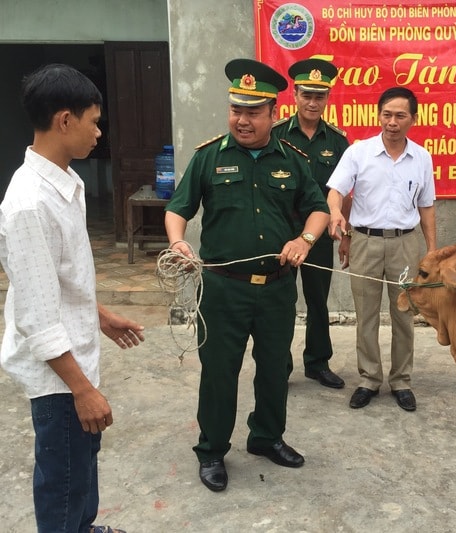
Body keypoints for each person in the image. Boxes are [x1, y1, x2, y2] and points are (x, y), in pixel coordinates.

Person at [164, 58, 330, 492]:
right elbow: (177, 209)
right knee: (220, 371)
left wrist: (305, 241)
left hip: (276, 289)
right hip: (222, 289)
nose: (242, 119)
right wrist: (179, 241)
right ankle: (212, 450)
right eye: (236, 109)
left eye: (253, 111)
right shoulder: (208, 157)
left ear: (274, 114)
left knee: (275, 368)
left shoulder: (292, 160)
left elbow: (318, 208)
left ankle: (266, 437)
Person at [0, 63, 145, 533]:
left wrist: (98, 315)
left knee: (82, 466)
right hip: (58, 377)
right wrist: (81, 390)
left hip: (77, 353)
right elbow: (38, 316)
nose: (99, 133)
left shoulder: (66, 184)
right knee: (62, 477)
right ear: (64, 120)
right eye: (94, 121)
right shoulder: (29, 203)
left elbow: (55, 281)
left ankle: (85, 527)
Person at [327, 86, 437, 412]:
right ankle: (369, 379)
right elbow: (337, 191)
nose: (392, 122)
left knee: (404, 314)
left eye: (400, 115)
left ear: (412, 119)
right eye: (387, 114)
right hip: (365, 242)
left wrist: (431, 250)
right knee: (366, 315)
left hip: (405, 243)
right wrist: (336, 215)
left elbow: (427, 207)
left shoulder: (421, 157)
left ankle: (401, 381)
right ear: (379, 115)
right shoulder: (358, 153)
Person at [272, 58, 350, 390]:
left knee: (318, 301)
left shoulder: (336, 141)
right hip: (280, 233)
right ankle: (279, 365)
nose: (313, 102)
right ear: (295, 95)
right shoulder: (274, 135)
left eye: (320, 96)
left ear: (327, 98)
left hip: (318, 236)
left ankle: (317, 363)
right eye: (307, 95)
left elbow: (343, 190)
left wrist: (345, 233)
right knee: (280, 301)